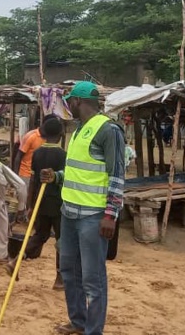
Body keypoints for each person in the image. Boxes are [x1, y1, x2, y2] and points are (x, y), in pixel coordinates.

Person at [39, 81, 124, 335]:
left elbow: (117, 175)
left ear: (77, 101)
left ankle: (93, 330)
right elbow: (79, 172)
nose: (68, 107)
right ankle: (78, 322)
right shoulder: (78, 131)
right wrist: (56, 176)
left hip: (93, 217)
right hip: (69, 214)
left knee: (92, 279)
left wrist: (110, 215)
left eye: (69, 102)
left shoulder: (108, 130)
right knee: (69, 271)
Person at [10, 115, 66, 290]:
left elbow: (34, 180)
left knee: (40, 235)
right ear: (60, 135)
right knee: (62, 239)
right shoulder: (63, 155)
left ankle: (16, 260)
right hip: (57, 203)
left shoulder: (38, 153)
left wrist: (31, 204)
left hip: (40, 202)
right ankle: (59, 278)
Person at [12, 115, 47, 223]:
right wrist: (15, 177)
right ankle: (21, 218)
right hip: (25, 172)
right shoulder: (31, 136)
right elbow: (18, 156)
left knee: (33, 197)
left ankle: (27, 217)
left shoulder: (48, 138)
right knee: (24, 198)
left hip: (37, 173)